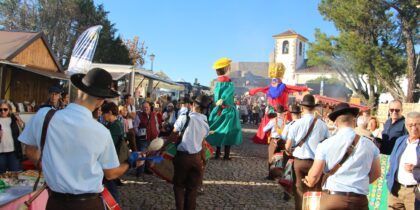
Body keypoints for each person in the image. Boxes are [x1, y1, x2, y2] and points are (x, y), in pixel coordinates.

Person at [18, 68, 142, 210]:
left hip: (55, 203)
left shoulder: (44, 115)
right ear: (100, 101)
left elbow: (29, 149)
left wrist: (48, 168)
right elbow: (111, 173)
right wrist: (130, 162)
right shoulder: (101, 132)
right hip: (88, 204)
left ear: (78, 90)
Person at [303, 103, 381, 210]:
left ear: (336, 123)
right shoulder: (370, 145)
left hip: (333, 199)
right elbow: (376, 173)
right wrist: (358, 183)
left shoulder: (325, 145)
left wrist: (309, 181)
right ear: (354, 121)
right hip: (358, 200)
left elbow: (314, 176)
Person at [285, 94, 329, 210]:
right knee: (315, 190)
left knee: (299, 189)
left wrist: (289, 150)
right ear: (314, 108)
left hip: (299, 162)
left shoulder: (295, 124)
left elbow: (288, 146)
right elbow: (327, 144)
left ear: (302, 108)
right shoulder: (322, 125)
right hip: (317, 162)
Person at [170, 94, 210, 210]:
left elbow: (173, 136)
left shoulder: (184, 117)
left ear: (192, 105)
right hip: (197, 160)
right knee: (192, 189)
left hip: (183, 158)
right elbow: (202, 144)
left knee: (178, 186)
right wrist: (203, 160)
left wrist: (162, 147)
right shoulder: (205, 124)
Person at [207, 58, 243, 160]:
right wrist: (223, 99)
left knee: (217, 130)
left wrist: (220, 101)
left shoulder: (217, 83)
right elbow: (226, 94)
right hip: (228, 111)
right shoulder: (229, 83)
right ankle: (226, 155)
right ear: (227, 69)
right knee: (230, 132)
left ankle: (217, 153)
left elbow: (217, 96)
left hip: (218, 110)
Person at [386, 111, 420, 210]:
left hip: (414, 193)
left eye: (417, 124)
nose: (414, 128)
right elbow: (391, 162)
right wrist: (389, 181)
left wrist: (415, 169)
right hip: (395, 190)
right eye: (410, 125)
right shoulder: (400, 140)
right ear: (406, 126)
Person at [101, 102, 125, 204]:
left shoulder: (115, 126)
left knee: (110, 185)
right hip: (111, 160)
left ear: (110, 112)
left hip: (110, 160)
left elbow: (108, 144)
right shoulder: (116, 123)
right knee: (109, 184)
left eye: (104, 113)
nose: (102, 115)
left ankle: (114, 204)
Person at [136, 101, 160, 176]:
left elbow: (156, 124)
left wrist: (157, 133)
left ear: (150, 107)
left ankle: (148, 169)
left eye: (147, 107)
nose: (146, 108)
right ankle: (139, 171)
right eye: (144, 107)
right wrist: (139, 134)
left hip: (153, 138)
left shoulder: (154, 115)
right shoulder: (139, 115)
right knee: (142, 155)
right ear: (142, 108)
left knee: (151, 154)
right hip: (143, 139)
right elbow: (135, 126)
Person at [263, 105, 287, 179]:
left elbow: (264, 129)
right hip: (283, 142)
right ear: (284, 113)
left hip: (274, 140)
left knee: (271, 158)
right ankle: (281, 175)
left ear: (276, 112)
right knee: (282, 158)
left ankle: (271, 176)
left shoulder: (273, 120)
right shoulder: (287, 121)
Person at [0, 101, 25, 173]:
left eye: (5, 109)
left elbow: (24, 129)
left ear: (9, 109)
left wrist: (20, 122)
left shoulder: (14, 119)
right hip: (0, 152)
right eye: (0, 109)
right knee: (1, 175)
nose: (3, 111)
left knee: (16, 173)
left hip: (13, 152)